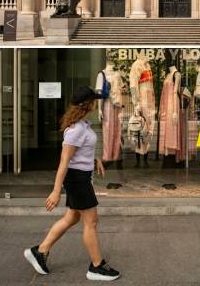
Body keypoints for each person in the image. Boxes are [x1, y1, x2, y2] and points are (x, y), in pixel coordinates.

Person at [24, 86, 121, 281]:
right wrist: (55, 191)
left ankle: (40, 251)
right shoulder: (76, 130)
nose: (97, 102)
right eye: (94, 99)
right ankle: (96, 267)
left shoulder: (82, 124)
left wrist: (95, 160)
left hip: (81, 177)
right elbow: (64, 161)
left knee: (71, 218)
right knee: (91, 222)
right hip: (77, 180)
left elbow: (81, 152)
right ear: (88, 104)